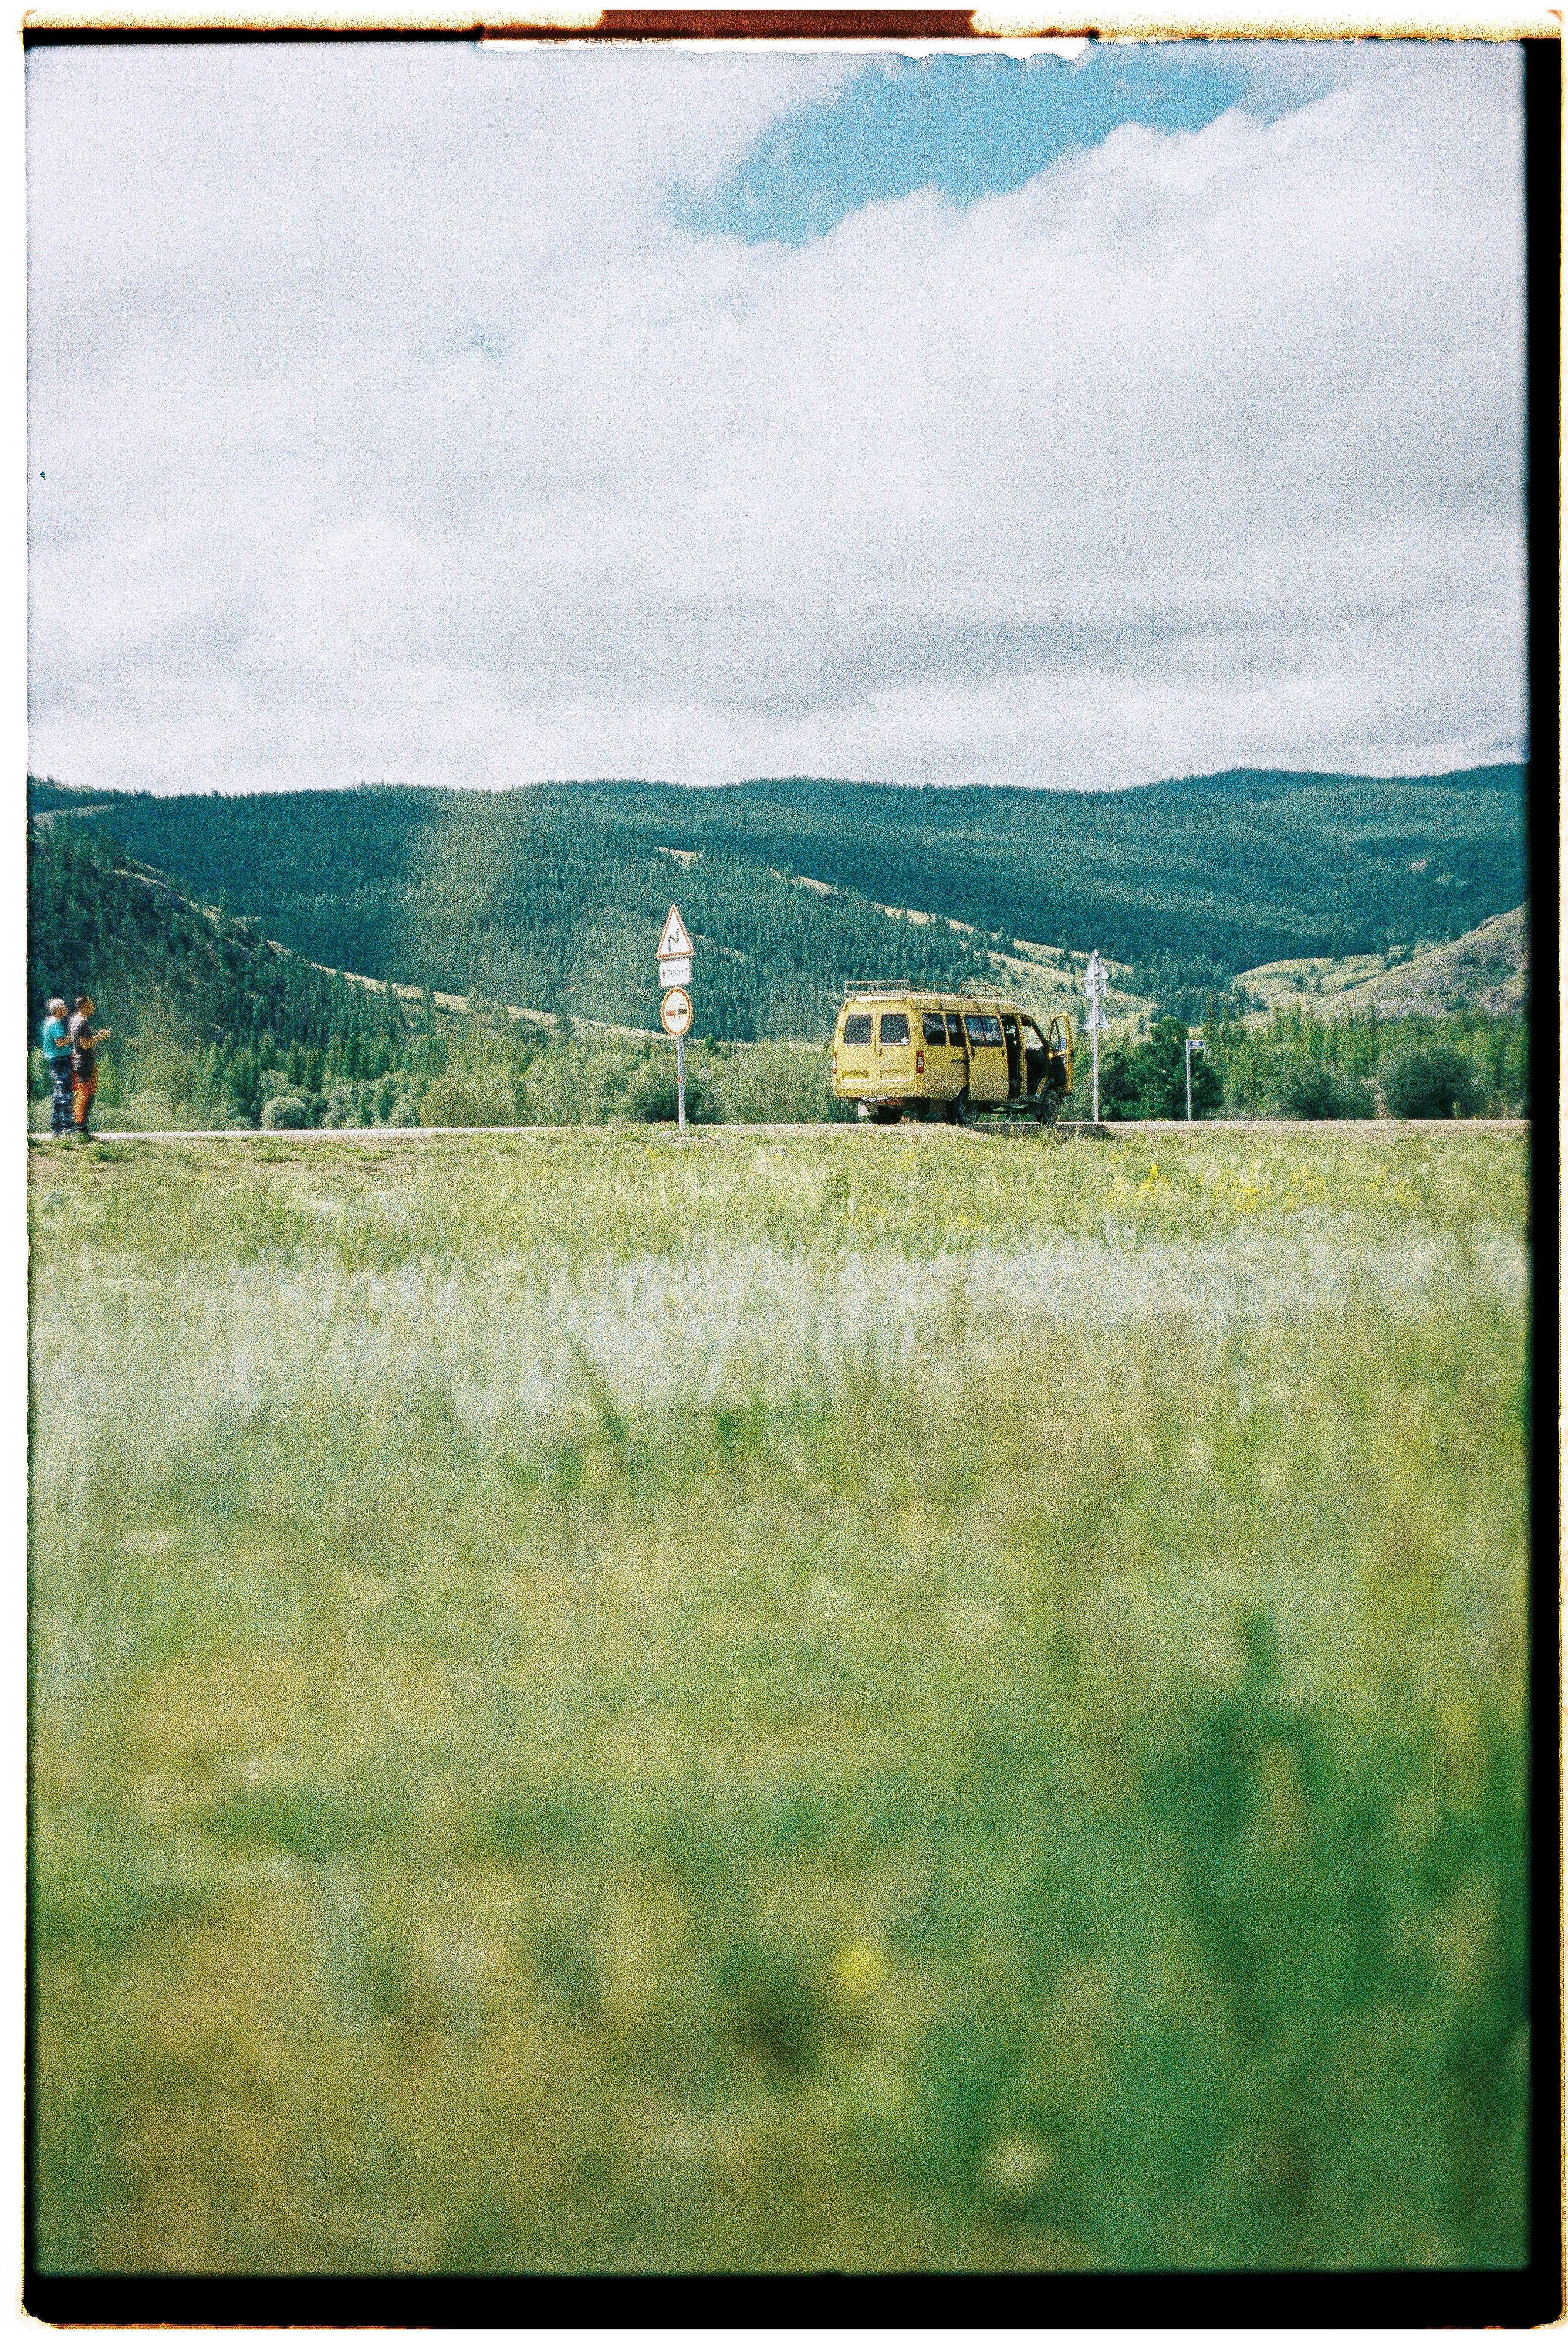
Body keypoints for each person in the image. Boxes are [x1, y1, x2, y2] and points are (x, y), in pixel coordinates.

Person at [68, 995, 111, 1140]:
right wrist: (100, 1036)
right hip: (85, 1063)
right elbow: (86, 1044)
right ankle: (81, 1129)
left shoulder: (74, 1020)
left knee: (84, 1095)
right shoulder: (83, 1022)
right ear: (85, 1006)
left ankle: (81, 1127)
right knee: (87, 1095)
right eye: (91, 1005)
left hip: (80, 1062)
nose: (93, 1007)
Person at [40, 997, 73, 1136]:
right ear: (58, 1010)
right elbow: (60, 1043)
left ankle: (57, 1130)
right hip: (60, 1062)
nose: (66, 1010)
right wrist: (72, 1037)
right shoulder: (56, 1023)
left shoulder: (49, 1022)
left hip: (55, 1061)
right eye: (64, 1007)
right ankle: (67, 1130)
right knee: (66, 1096)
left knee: (58, 1096)